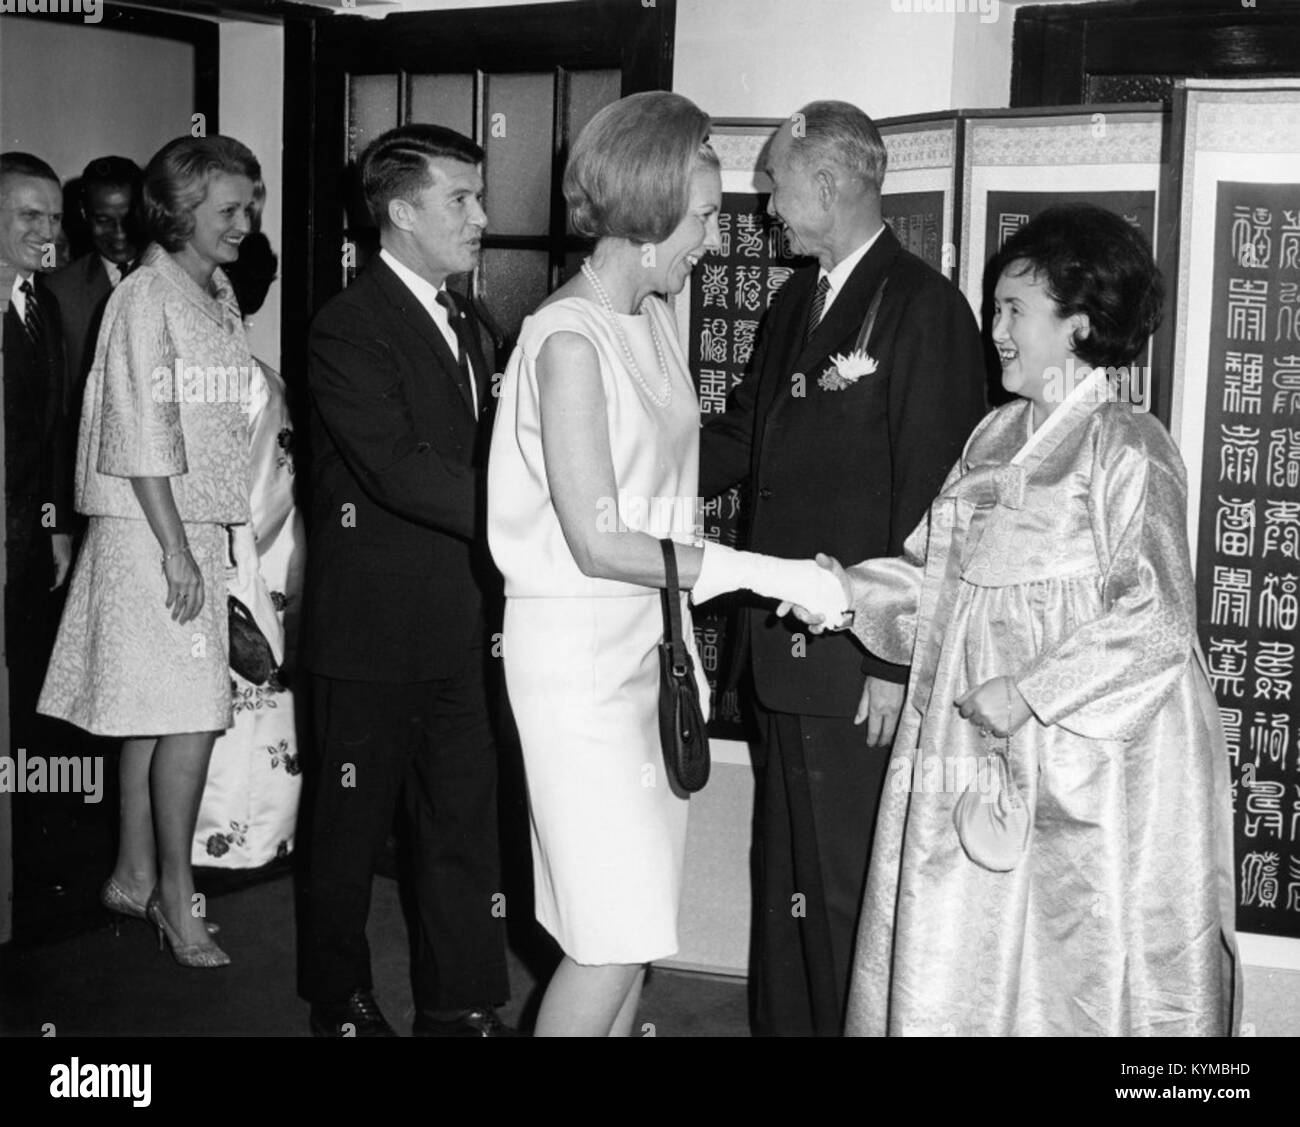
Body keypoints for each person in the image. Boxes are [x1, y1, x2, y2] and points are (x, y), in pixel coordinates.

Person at [811, 204, 1240, 1035]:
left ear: (1079, 324)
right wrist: (842, 591)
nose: (996, 330)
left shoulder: (1127, 446)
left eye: (1015, 311)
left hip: (1085, 753)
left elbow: (1156, 615)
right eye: (996, 308)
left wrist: (1034, 691)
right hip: (976, 734)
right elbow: (940, 581)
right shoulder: (995, 435)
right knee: (966, 940)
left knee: (1072, 950)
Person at [488, 91, 847, 1038]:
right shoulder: (566, 341)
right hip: (578, 669)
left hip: (651, 657)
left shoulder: (648, 318)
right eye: (702, 219)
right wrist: (769, 574)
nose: (714, 241)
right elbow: (601, 538)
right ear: (647, 216)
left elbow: (672, 485)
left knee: (636, 925)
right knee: (607, 936)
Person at [698, 101, 987, 1036]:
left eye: (775, 186)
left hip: (858, 664)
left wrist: (897, 660)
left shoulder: (924, 308)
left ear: (826, 183)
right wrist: (610, 468)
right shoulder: (797, 301)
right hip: (780, 645)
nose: (767, 210)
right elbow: (744, 438)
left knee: (843, 895)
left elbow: (940, 506)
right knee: (782, 877)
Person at [299, 123, 511, 1038]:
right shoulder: (349, 326)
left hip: (462, 622)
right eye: (460, 199)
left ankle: (457, 1001)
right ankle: (339, 998)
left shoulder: (473, 319)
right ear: (400, 213)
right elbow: (397, 468)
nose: (482, 217)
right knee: (350, 825)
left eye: (478, 195)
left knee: (463, 821)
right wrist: (533, 516)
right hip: (373, 628)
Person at [38, 135, 265, 970]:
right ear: (179, 212)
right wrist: (177, 551)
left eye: (252, 206)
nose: (246, 223)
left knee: (154, 713)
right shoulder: (145, 296)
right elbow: (141, 429)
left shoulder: (213, 290)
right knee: (194, 716)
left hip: (187, 525)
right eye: (230, 210)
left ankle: (134, 874)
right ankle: (177, 897)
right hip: (153, 529)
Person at [192, 232, 304, 868]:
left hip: (249, 562)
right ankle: (237, 841)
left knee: (243, 712)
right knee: (241, 713)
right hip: (249, 561)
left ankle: (236, 840)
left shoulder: (256, 382)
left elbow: (268, 489)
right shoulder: (254, 381)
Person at [0, 152, 74, 902]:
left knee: (23, 700)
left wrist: (54, 525)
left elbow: (55, 426)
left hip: (27, 542)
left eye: (54, 216)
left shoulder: (41, 303)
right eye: (30, 215)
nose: (47, 230)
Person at [46, 157, 143, 398]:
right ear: (83, 213)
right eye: (104, 221)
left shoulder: (177, 278)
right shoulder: (57, 291)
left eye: (129, 218)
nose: (120, 233)